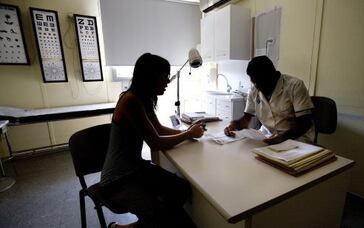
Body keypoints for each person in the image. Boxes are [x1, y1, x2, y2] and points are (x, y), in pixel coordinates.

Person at [100, 53, 205, 228]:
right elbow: (155, 143)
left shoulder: (143, 99)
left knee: (181, 189)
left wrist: (188, 131)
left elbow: (158, 129)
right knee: (159, 215)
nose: (168, 82)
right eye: (165, 77)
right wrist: (187, 134)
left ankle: (140, 225)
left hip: (135, 169)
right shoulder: (130, 100)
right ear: (151, 77)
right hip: (117, 180)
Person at [224, 55, 314, 145]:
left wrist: (281, 138)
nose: (256, 86)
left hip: (296, 139)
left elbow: (305, 123)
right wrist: (233, 125)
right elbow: (246, 119)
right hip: (268, 136)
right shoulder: (255, 88)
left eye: (258, 81)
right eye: (253, 82)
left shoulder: (295, 86)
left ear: (271, 76)